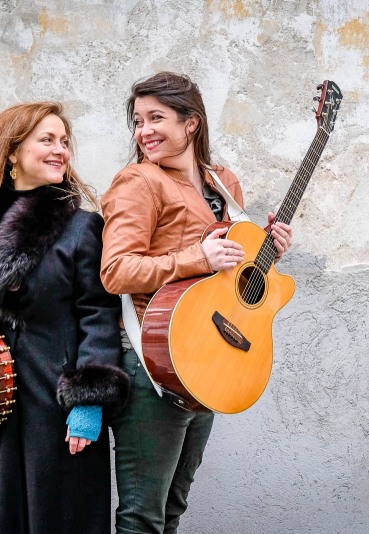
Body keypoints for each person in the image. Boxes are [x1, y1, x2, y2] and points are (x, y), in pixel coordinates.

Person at [0, 102, 129, 534]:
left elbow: (99, 316)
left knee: (63, 519)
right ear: (12, 152)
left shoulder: (82, 227)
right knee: (3, 520)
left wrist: (87, 402)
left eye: (64, 142)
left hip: (58, 406)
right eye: (47, 140)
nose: (61, 150)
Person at [100, 72, 293, 533]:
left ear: (191, 123)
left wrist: (267, 251)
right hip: (153, 364)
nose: (143, 130)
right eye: (138, 120)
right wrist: (194, 257)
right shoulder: (137, 182)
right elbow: (116, 271)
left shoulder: (222, 182)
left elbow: (227, 275)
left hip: (208, 360)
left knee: (172, 509)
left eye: (156, 118)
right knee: (142, 514)